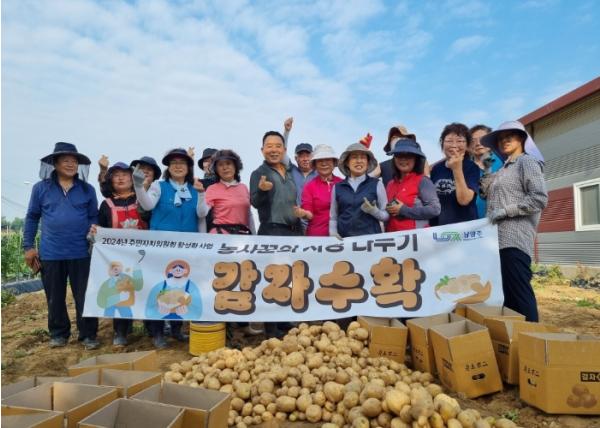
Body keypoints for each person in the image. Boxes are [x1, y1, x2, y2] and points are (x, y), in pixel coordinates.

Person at [23, 142, 99, 349]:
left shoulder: (87, 190)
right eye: (66, 160)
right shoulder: (41, 189)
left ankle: (88, 335)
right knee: (54, 297)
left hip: (81, 252)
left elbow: (93, 217)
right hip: (51, 252)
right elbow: (32, 217)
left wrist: (94, 228)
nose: (71, 164)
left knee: (84, 296)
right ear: (55, 164)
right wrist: (28, 247)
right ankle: (58, 334)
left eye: (74, 161)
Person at [133, 148, 204, 348]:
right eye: (174, 163)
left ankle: (176, 329)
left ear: (188, 167)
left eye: (182, 163)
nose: (178, 166)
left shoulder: (195, 188)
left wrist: (203, 244)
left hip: (187, 247)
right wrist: (139, 186)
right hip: (161, 247)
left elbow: (201, 217)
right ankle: (157, 332)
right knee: (160, 288)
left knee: (180, 287)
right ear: (168, 167)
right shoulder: (159, 185)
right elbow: (147, 205)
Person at [480, 121, 548, 322]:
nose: (505, 140)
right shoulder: (504, 168)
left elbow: (539, 198)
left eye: (510, 135)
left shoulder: (527, 162)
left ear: (522, 138)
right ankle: (513, 337)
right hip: (497, 240)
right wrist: (487, 169)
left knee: (520, 294)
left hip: (515, 239)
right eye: (501, 138)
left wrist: (506, 211)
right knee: (507, 296)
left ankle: (533, 336)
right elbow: (484, 193)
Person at [250, 131, 302, 338]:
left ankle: (282, 320)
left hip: (293, 231)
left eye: (278, 146)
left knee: (289, 278)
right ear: (262, 150)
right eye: (269, 146)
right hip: (272, 231)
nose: (273, 150)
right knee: (273, 279)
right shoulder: (259, 173)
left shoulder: (289, 173)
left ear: (284, 150)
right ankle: (271, 329)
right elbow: (254, 202)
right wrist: (262, 190)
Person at [91, 162, 147, 346]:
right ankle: (121, 332)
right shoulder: (106, 204)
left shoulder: (142, 199)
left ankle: (154, 331)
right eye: (116, 175)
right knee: (121, 292)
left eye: (125, 174)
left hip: (143, 255)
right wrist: (95, 232)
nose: (121, 178)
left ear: (133, 178)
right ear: (110, 181)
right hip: (118, 258)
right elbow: (100, 228)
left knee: (146, 290)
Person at [330, 142, 389, 238]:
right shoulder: (337, 187)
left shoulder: (377, 184)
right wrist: (332, 233)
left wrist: (374, 211)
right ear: (347, 162)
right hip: (345, 241)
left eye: (363, 157)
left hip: (370, 241)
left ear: (367, 162)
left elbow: (386, 216)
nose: (359, 161)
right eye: (354, 157)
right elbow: (333, 217)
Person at [430, 123, 480, 225]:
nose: (454, 145)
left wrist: (457, 169)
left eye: (460, 141)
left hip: (466, 229)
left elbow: (464, 200)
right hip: (439, 229)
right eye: (449, 141)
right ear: (442, 143)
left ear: (467, 145)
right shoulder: (436, 169)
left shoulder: (472, 167)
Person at [385, 139, 441, 231]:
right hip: (392, 237)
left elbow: (435, 209)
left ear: (416, 159)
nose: (403, 159)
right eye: (399, 155)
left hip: (417, 237)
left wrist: (403, 210)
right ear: (394, 158)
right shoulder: (390, 184)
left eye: (408, 156)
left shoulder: (423, 181)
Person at [298, 145, 343, 236]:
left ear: (334, 162)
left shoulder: (343, 184)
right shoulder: (309, 187)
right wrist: (304, 213)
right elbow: (308, 212)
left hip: (342, 236)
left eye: (328, 160)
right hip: (317, 238)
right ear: (315, 164)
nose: (324, 163)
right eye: (320, 160)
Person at [469, 125, 503, 218]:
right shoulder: (465, 168)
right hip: (474, 222)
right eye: (473, 141)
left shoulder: (504, 160)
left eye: (482, 138)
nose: (478, 143)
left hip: (502, 219)